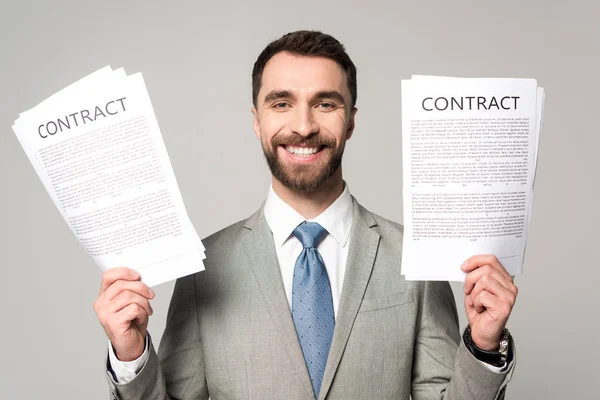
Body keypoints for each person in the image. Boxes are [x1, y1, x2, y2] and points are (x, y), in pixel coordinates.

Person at [95, 30, 518, 400]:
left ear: (350, 122)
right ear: (256, 121)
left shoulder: (414, 258)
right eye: (281, 103)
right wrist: (131, 355)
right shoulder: (204, 265)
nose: (303, 126)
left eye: (325, 104)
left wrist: (482, 345)